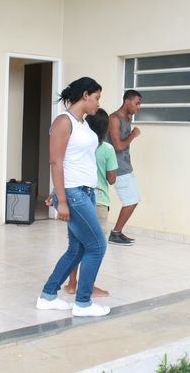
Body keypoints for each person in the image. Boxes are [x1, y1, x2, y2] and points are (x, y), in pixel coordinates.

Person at [36, 77, 110, 317]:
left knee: (77, 249)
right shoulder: (63, 122)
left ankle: (48, 296)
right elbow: (56, 161)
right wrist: (61, 199)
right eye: (97, 97)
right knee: (97, 245)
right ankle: (83, 303)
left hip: (85, 192)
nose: (98, 103)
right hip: (74, 194)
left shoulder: (83, 124)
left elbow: (74, 161)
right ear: (86, 95)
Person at [63, 108, 117, 297]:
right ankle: (89, 287)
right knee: (95, 247)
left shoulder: (78, 145)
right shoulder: (107, 149)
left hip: (77, 198)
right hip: (99, 201)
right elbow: (112, 179)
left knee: (76, 245)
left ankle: (71, 284)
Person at [107, 89, 143, 246]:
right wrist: (133, 135)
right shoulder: (114, 119)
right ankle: (115, 233)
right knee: (131, 201)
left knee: (134, 199)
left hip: (126, 166)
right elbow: (118, 146)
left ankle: (117, 232)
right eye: (137, 103)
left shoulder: (126, 118)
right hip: (118, 167)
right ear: (127, 101)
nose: (138, 107)